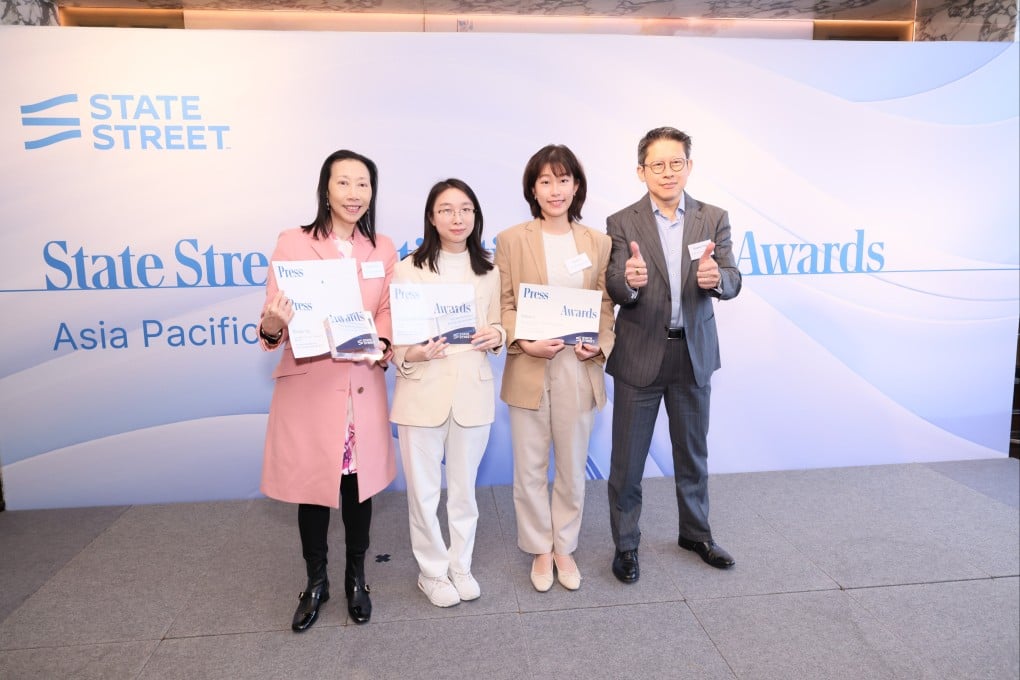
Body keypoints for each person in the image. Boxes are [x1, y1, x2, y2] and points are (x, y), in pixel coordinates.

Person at [258, 149, 398, 631]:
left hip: (360, 386)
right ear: (326, 189)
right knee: (313, 489)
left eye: (363, 184)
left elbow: (386, 311)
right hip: (311, 387)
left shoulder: (382, 247)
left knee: (358, 489)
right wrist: (275, 324)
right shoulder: (293, 243)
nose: (355, 193)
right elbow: (272, 323)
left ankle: (356, 576)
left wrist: (381, 339)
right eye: (344, 183)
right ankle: (315, 581)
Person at [605, 127, 742, 583]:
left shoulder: (713, 217)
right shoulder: (622, 222)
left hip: (693, 354)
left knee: (693, 454)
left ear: (689, 166)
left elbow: (733, 278)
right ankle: (626, 546)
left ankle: (696, 534)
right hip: (640, 354)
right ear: (641, 171)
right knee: (627, 462)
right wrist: (630, 281)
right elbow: (615, 285)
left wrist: (716, 281)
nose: (667, 172)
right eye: (657, 165)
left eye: (676, 163)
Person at [494, 144, 615, 592]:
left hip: (576, 367)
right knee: (528, 467)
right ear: (532, 188)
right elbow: (503, 303)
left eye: (563, 180)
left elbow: (605, 307)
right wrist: (522, 340)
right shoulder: (511, 239)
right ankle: (539, 549)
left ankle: (564, 546)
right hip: (529, 364)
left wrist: (598, 345)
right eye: (545, 180)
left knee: (570, 465)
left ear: (576, 186)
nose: (555, 189)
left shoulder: (597, 243)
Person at [390, 178, 505, 608]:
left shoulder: (490, 270)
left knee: (463, 491)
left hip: (472, 392)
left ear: (476, 217)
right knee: (422, 492)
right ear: (432, 217)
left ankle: (461, 565)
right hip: (422, 391)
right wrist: (414, 353)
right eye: (446, 210)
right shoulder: (407, 269)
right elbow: (398, 343)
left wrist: (496, 334)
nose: (457, 218)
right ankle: (432, 572)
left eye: (465, 210)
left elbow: (498, 327)